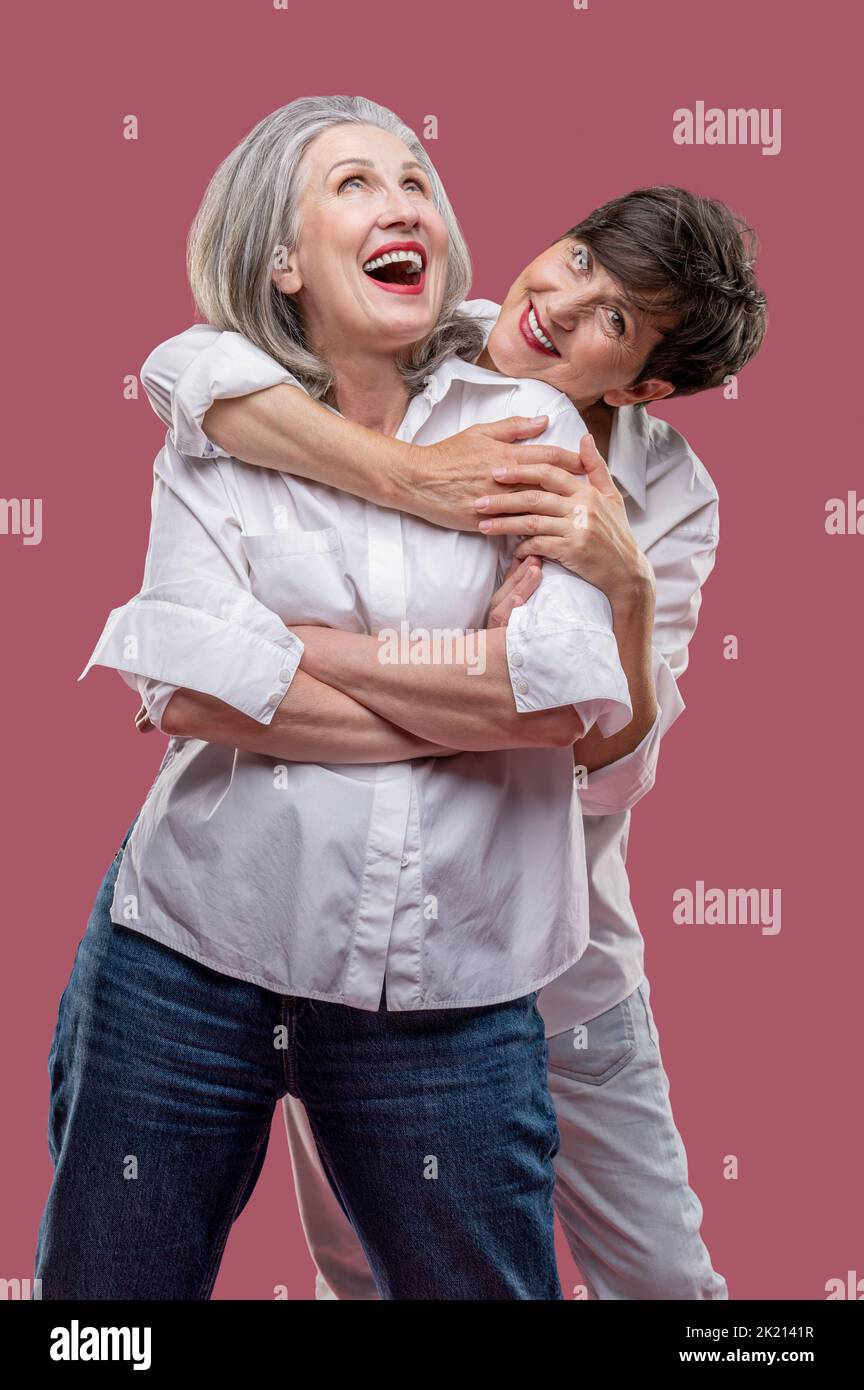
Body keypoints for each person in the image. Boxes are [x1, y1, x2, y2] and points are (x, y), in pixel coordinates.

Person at [35, 96, 634, 1302]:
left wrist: (299, 653)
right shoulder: (216, 425)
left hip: (449, 996)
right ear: (283, 259)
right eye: (354, 183)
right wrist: (469, 687)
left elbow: (558, 702)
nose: (403, 200)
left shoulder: (531, 425)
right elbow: (199, 699)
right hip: (185, 960)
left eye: (417, 177)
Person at [135, 183, 767, 1298]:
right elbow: (187, 369)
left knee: (667, 1280)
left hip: (563, 967)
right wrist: (409, 479)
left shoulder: (668, 494)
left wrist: (618, 588)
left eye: (614, 319)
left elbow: (602, 769)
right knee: (361, 1274)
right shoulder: (422, 338)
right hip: (359, 961)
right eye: (575, 260)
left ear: (647, 385)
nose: (560, 303)